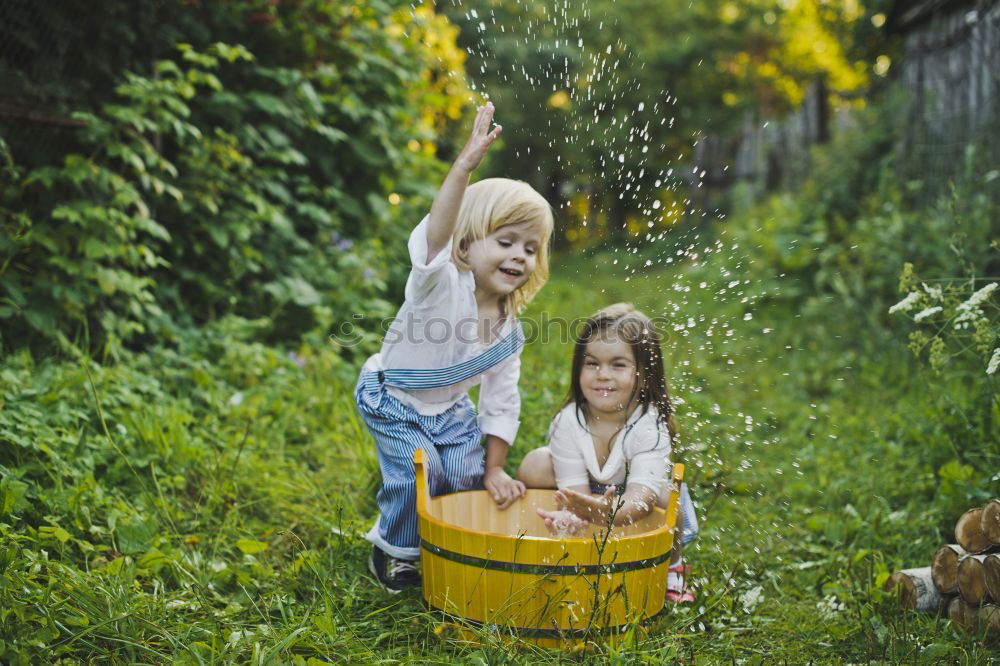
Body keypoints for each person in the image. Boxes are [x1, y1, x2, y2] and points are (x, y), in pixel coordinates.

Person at [355, 102, 554, 593]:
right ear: (466, 246)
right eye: (506, 241)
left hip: (450, 410)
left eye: (530, 248)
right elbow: (435, 235)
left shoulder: (508, 333)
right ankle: (395, 552)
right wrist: (464, 167)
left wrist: (495, 467)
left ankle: (450, 539)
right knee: (419, 469)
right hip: (393, 399)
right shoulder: (440, 282)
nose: (519, 256)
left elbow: (501, 399)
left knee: (462, 472)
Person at [516, 303, 699, 602]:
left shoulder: (649, 425)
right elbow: (574, 487)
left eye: (618, 365)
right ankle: (567, 543)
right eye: (592, 364)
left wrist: (607, 513)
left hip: (635, 498)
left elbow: (642, 498)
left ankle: (672, 568)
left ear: (644, 373)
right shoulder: (568, 421)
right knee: (535, 463)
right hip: (589, 494)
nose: (603, 375)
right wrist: (577, 510)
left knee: (669, 497)